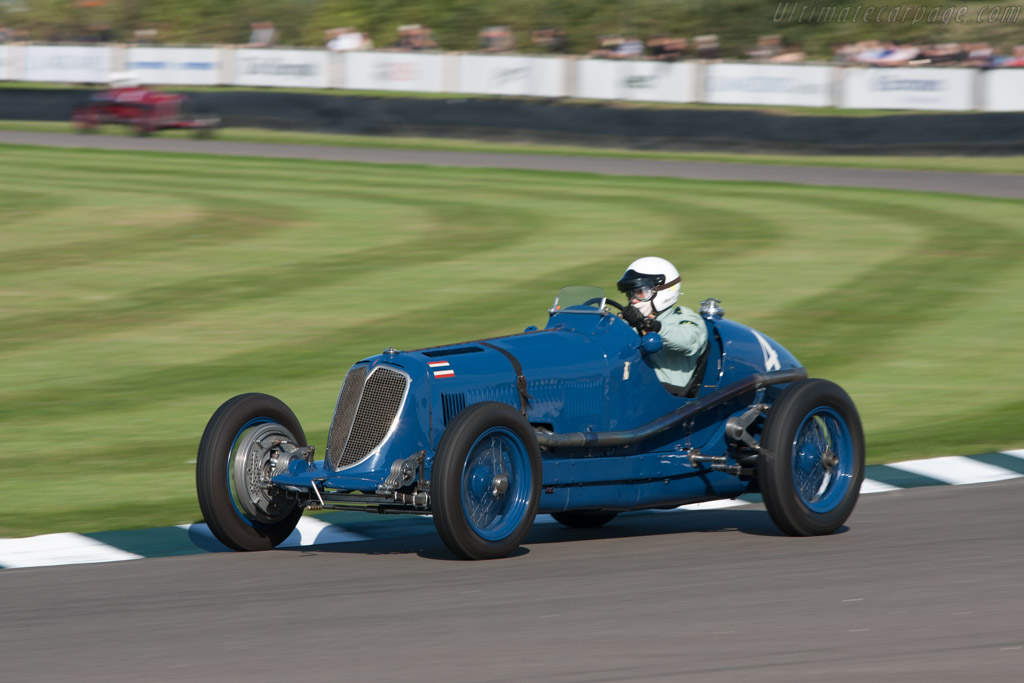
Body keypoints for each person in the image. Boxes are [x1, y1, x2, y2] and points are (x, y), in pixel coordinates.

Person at [616, 257, 708, 394]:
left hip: (667, 401)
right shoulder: (629, 322)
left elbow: (690, 341)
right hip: (632, 393)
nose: (633, 300)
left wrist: (649, 325)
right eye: (630, 294)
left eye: (640, 293)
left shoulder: (683, 318)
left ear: (663, 291)